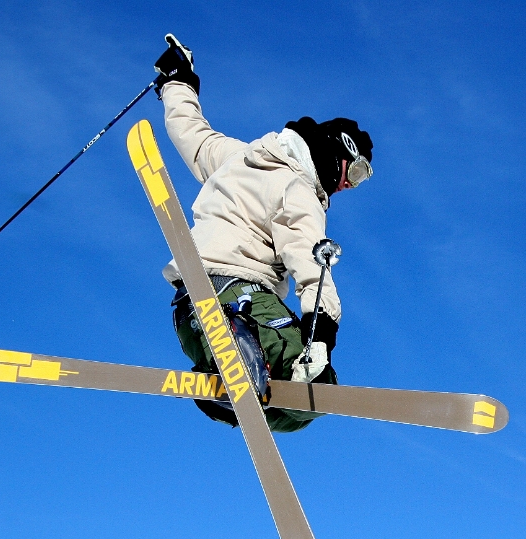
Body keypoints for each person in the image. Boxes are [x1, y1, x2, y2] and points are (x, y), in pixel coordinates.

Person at [153, 35, 373, 432]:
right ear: (336, 152)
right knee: (316, 387)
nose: (347, 186)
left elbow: (193, 134)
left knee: (297, 411)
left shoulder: (237, 156)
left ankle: (225, 384)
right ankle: (238, 345)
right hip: (243, 299)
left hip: (190, 308)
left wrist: (178, 83)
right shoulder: (298, 190)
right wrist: (320, 335)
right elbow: (309, 260)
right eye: (354, 173)